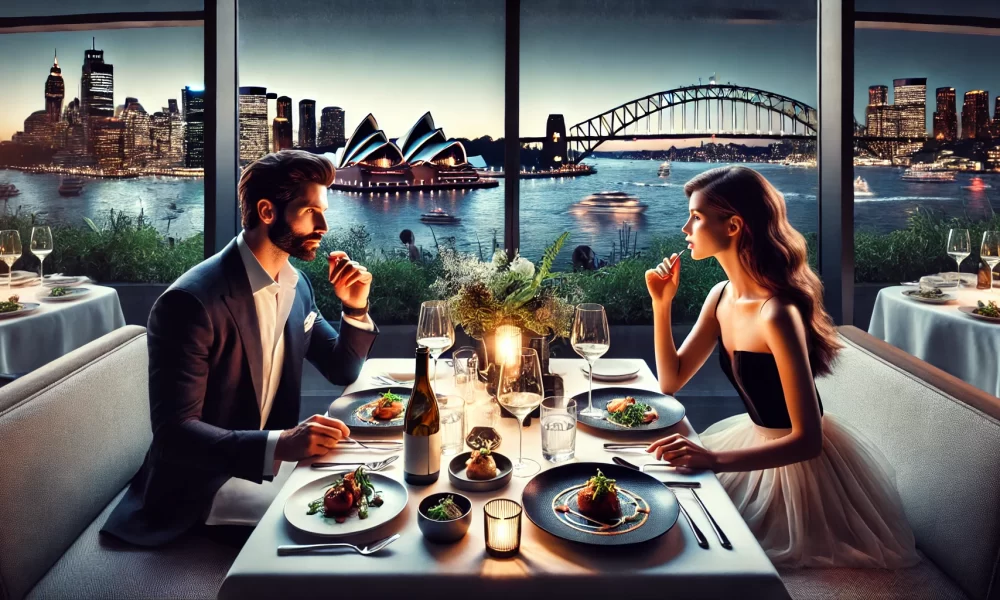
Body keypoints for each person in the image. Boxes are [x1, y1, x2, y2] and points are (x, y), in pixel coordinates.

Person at [643, 166, 918, 568]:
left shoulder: (777, 313)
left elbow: (808, 441)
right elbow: (670, 380)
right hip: (752, 448)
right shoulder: (720, 296)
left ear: (734, 225)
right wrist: (661, 303)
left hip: (798, 474)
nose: (685, 227)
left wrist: (713, 459)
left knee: (697, 545)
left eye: (697, 216)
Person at [102, 150, 378, 547]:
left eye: (323, 211)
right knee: (348, 534)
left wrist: (354, 307)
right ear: (267, 211)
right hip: (198, 492)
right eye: (309, 211)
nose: (324, 225)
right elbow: (174, 435)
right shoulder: (190, 303)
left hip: (267, 473)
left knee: (367, 497)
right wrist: (280, 444)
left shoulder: (297, 284)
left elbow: (342, 369)